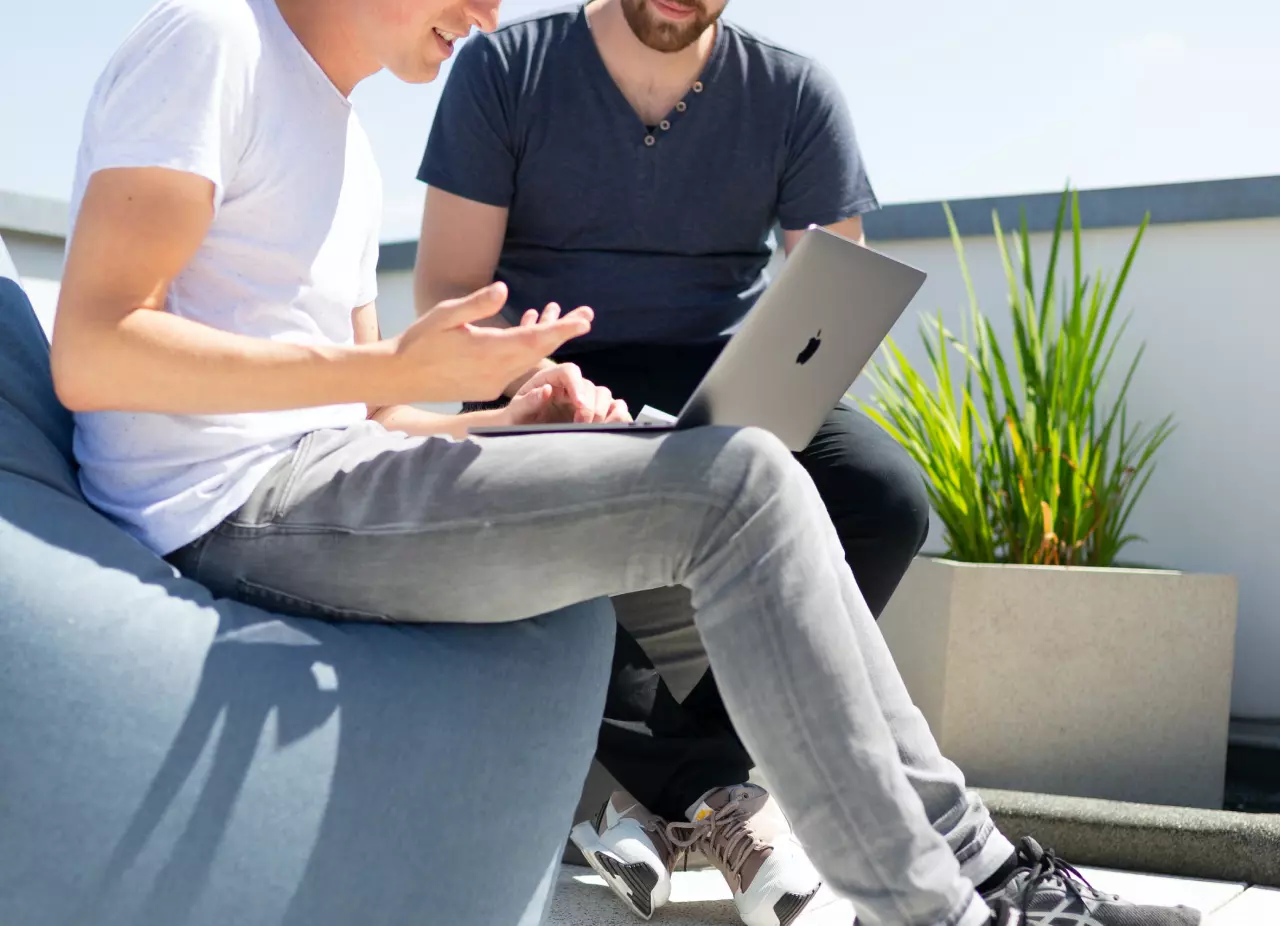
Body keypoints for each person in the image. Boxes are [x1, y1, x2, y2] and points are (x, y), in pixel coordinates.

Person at [50, 0, 1201, 925]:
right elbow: (93, 352)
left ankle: (987, 870)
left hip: (328, 472)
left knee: (759, 469)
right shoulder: (215, 39)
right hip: (233, 505)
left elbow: (372, 414)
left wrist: (511, 421)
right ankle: (936, 903)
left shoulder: (342, 133)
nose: (487, 16)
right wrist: (397, 370)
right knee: (739, 485)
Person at [412, 2, 1204, 926]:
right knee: (591, 499)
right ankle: (720, 794)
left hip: (719, 378)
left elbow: (834, 298)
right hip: (546, 379)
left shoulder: (793, 93)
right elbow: (449, 291)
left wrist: (765, 393)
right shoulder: (507, 69)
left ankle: (681, 779)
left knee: (882, 496)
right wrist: (540, 380)